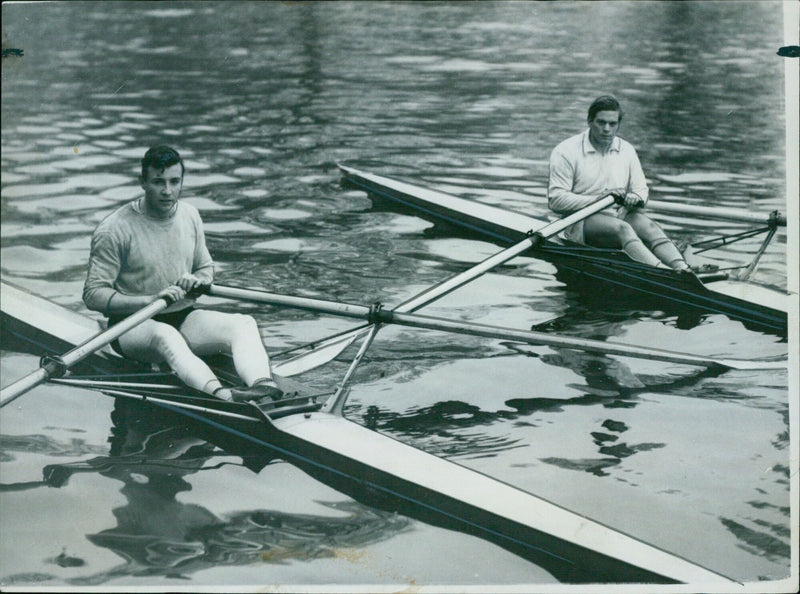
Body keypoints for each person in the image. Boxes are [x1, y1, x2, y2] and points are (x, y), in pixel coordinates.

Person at [83, 145, 282, 402]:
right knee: (166, 336)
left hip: (183, 316)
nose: (167, 191)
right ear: (142, 182)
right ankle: (224, 398)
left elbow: (205, 268)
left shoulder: (190, 215)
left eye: (175, 182)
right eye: (158, 182)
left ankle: (262, 386)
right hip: (131, 325)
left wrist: (199, 280)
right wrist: (148, 300)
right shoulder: (114, 229)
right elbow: (93, 295)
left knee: (244, 323)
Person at [548, 95, 691, 271]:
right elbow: (555, 200)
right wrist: (599, 199)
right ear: (590, 121)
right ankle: (662, 272)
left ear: (618, 124)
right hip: (580, 221)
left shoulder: (627, 150)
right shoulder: (566, 151)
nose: (607, 129)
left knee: (650, 226)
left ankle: (684, 270)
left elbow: (641, 190)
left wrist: (635, 197)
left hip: (618, 214)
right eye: (601, 123)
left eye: (612, 124)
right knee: (623, 229)